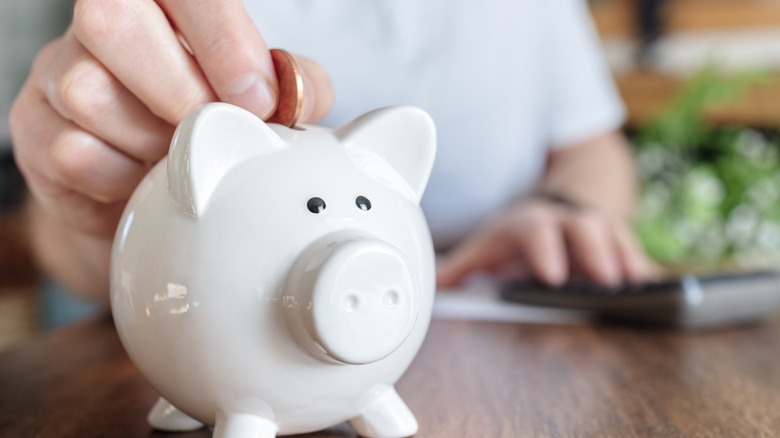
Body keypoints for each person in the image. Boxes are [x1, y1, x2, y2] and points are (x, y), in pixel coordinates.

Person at [9, 0, 656, 304]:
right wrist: (100, 202)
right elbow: (68, 237)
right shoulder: (160, 14)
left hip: (502, 332)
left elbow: (592, 147)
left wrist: (564, 206)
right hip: (218, 326)